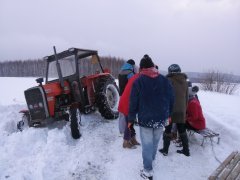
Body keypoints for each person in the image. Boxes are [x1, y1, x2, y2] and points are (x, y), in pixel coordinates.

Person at [128, 55, 174, 179]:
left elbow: (133, 102)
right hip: (161, 119)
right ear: (153, 66)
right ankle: (151, 160)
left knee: (147, 144)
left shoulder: (139, 81)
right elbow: (171, 99)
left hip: (146, 119)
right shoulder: (165, 80)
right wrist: (169, 115)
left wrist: (131, 119)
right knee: (154, 142)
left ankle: (148, 170)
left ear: (142, 68)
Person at [159, 64, 190, 157]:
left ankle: (165, 150)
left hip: (170, 110)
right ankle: (186, 150)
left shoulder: (167, 81)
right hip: (181, 110)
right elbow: (187, 97)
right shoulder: (185, 81)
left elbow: (164, 96)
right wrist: (184, 108)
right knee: (182, 130)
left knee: (167, 130)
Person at [118, 73, 141, 149]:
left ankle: (132, 138)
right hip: (127, 104)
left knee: (131, 122)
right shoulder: (140, 79)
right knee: (129, 123)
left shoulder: (136, 76)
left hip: (127, 102)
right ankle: (126, 142)